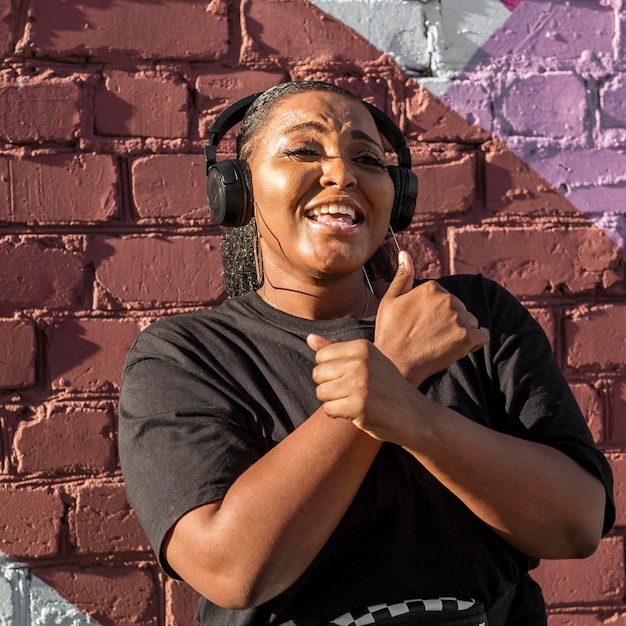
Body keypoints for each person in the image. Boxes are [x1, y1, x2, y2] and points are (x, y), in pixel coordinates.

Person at [118, 81, 614, 626]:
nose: (342, 174)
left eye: (366, 158)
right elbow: (234, 570)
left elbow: (578, 524)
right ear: (237, 189)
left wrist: (419, 420)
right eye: (304, 150)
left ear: (397, 196)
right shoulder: (186, 356)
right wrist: (394, 367)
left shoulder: (470, 317)